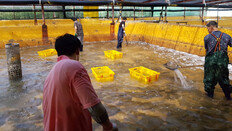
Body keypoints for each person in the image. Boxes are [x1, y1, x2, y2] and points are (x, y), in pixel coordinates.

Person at [43, 34, 118, 131]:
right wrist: (108, 126)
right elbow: (93, 105)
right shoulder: (74, 66)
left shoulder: (50, 74)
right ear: (77, 51)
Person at [203, 21, 232, 100]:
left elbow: (207, 49)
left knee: (209, 80)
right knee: (224, 79)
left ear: (211, 27)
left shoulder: (207, 37)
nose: (208, 30)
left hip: (210, 62)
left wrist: (206, 63)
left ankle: (209, 98)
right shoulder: (227, 36)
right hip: (222, 62)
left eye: (208, 28)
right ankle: (228, 97)